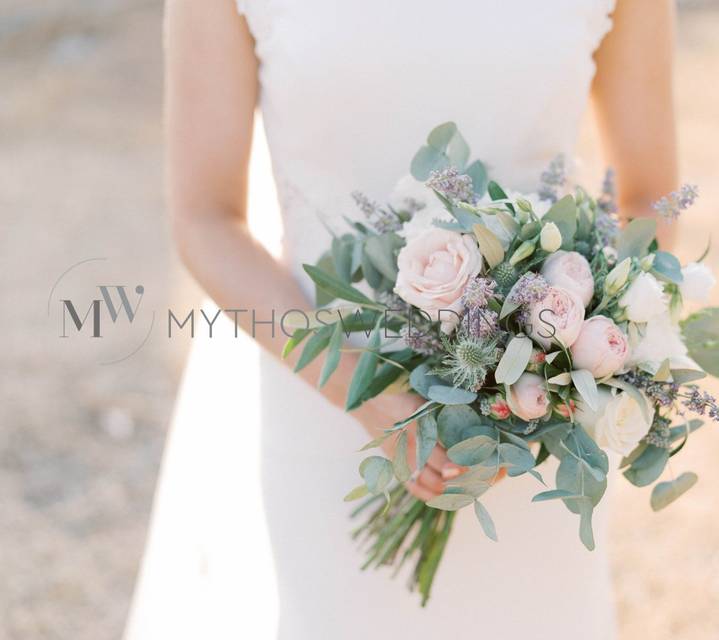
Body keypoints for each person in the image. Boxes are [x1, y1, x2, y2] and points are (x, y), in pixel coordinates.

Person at [126, 1, 678, 637]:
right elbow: (206, 218)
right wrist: (363, 391)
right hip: (325, 406)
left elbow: (648, 198)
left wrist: (551, 367)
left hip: (530, 431)